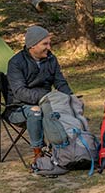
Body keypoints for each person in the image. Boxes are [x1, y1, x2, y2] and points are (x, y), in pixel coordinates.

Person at [7, 25, 74, 163]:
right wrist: (45, 98)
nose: (49, 47)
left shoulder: (51, 59)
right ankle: (38, 153)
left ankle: (68, 148)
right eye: (45, 44)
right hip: (18, 108)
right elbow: (20, 92)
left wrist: (71, 98)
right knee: (35, 112)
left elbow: (60, 83)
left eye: (49, 43)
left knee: (70, 105)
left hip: (47, 104)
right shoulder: (15, 63)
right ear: (32, 45)